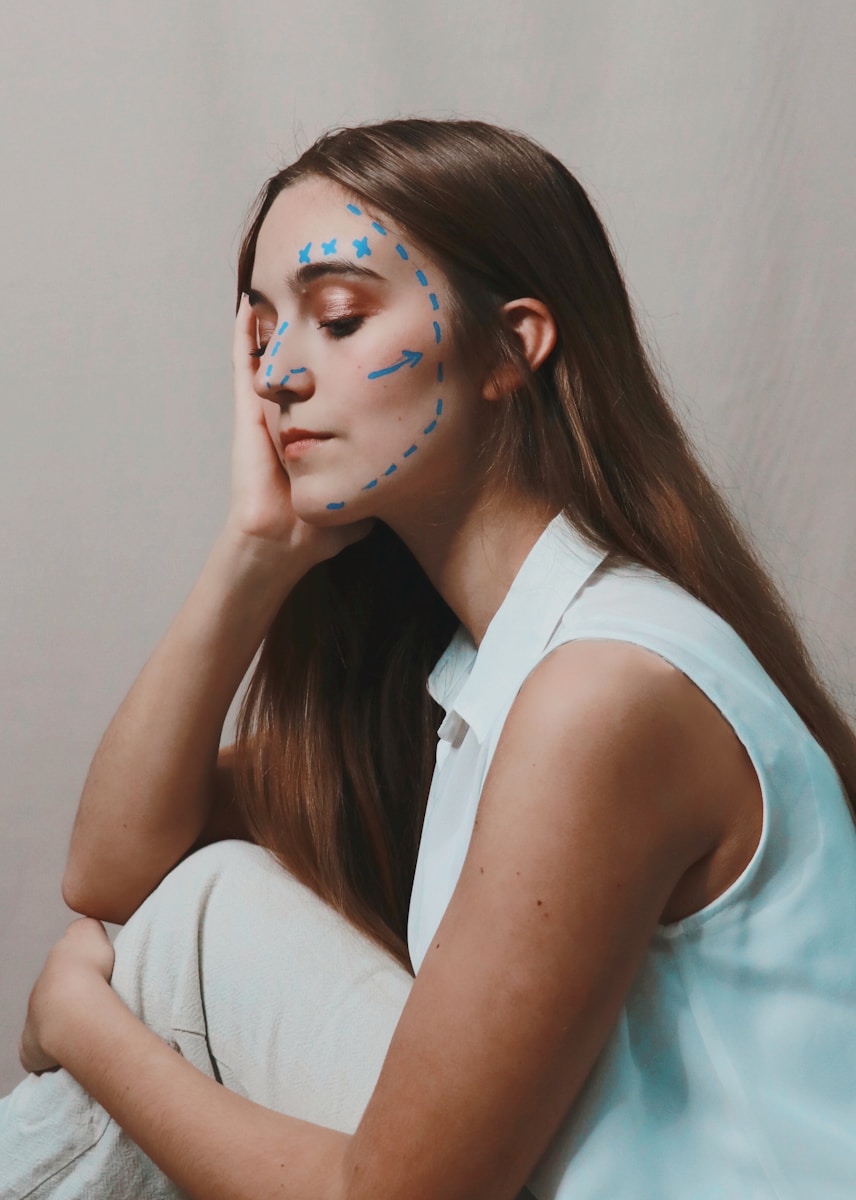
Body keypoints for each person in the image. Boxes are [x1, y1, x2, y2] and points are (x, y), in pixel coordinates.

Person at [2, 117, 855, 1200]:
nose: (277, 375)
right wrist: (251, 555)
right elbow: (119, 873)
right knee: (199, 904)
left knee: (138, 984)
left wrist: (83, 1030)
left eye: (340, 317)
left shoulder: (604, 693)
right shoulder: (477, 677)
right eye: (262, 333)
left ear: (513, 346)